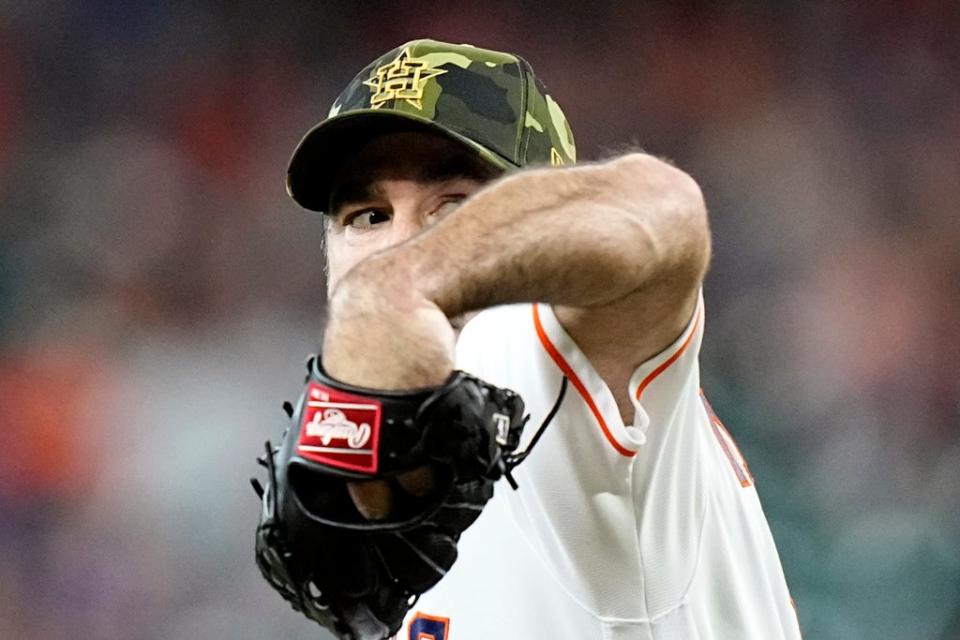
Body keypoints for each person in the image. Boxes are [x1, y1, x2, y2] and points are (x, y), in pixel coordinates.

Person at [283, 39, 802, 639]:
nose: (396, 243)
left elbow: (665, 210)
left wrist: (405, 285)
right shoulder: (413, 454)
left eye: (452, 204)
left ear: (548, 212)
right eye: (368, 217)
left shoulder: (545, 370)